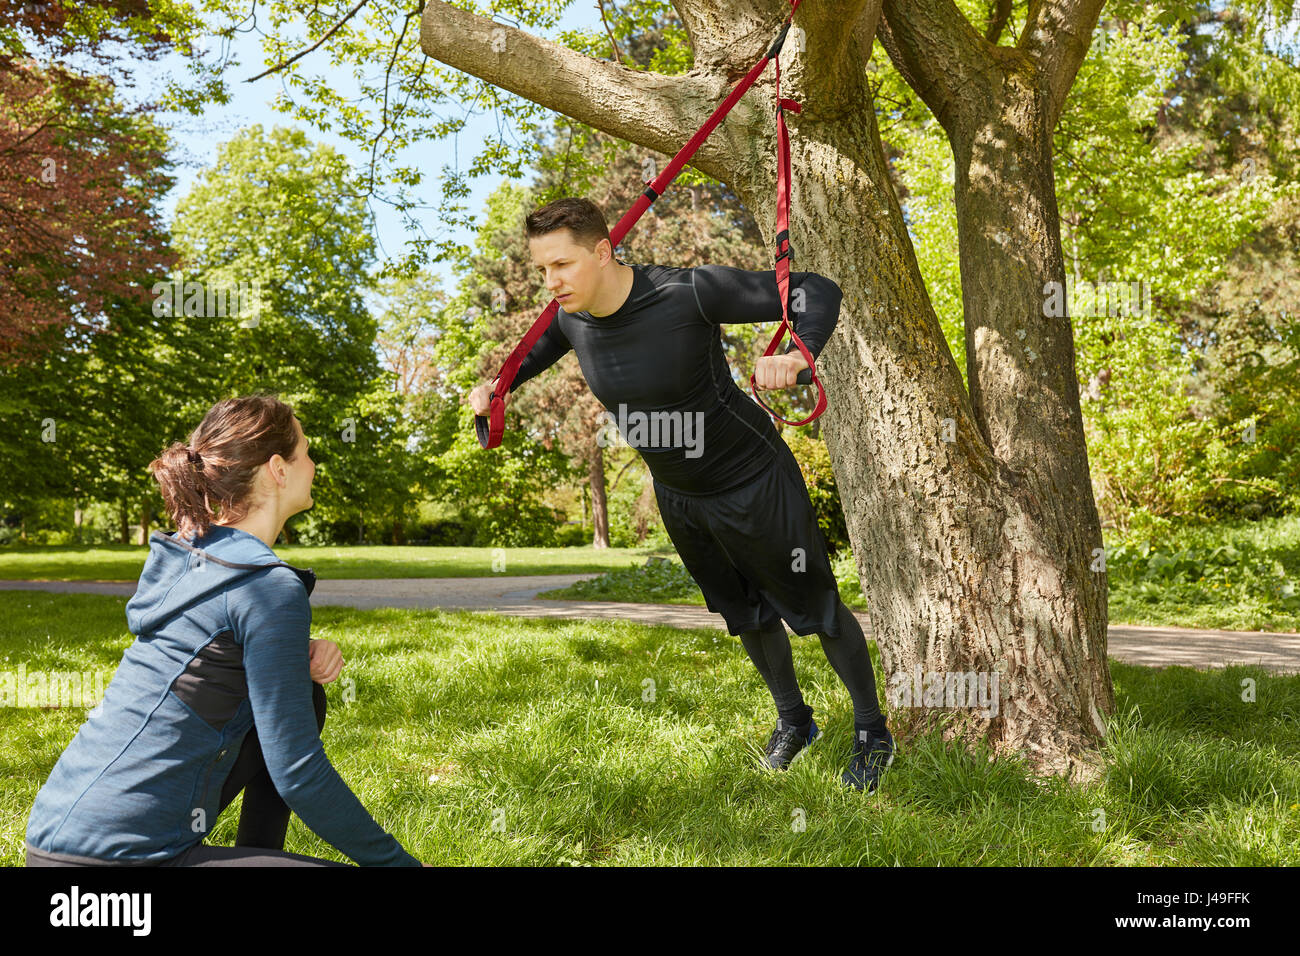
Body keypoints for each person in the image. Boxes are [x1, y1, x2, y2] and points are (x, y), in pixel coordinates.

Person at [469, 197, 894, 791]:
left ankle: (873, 731)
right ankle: (795, 721)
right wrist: (499, 385)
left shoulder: (687, 292)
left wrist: (799, 353)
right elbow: (537, 349)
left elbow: (812, 289)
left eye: (561, 265)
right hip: (680, 495)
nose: (551, 282)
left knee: (816, 611)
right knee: (744, 615)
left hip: (752, 478)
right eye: (542, 270)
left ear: (602, 250)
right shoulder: (568, 316)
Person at [26, 395, 426, 866]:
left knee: (304, 696)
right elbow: (301, 775)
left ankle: (257, 855)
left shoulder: (196, 553)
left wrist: (293, 651)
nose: (314, 465)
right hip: (118, 868)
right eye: (307, 452)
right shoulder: (266, 586)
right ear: (278, 468)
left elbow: (209, 648)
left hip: (53, 845)